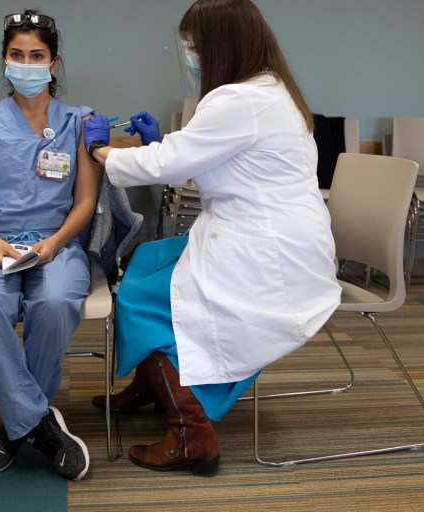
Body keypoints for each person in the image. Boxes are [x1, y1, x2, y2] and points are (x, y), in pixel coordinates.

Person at [84, 0, 342, 477]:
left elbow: (169, 166)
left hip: (265, 251)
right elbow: (217, 162)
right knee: (145, 258)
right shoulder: (272, 90)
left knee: (140, 299)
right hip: (270, 234)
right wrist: (165, 142)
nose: (191, 55)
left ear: (221, 45)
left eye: (195, 46)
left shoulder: (239, 99)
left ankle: (191, 433)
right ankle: (151, 383)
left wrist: (101, 150)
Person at [0, 9, 99, 481]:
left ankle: (14, 427)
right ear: (4, 60)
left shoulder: (80, 123)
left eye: (37, 55)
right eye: (16, 55)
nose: (26, 64)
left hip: (59, 245)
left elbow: (86, 201)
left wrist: (55, 243)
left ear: (53, 63)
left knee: (52, 300)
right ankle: (41, 423)